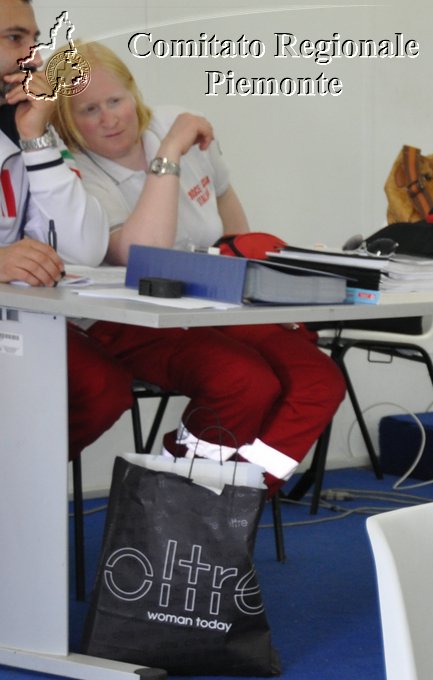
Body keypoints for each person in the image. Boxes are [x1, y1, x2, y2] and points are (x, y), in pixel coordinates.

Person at [51, 41, 343, 490]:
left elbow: (229, 212)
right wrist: (168, 153)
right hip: (130, 317)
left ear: (134, 92)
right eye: (89, 109)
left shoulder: (174, 119)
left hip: (209, 300)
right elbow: (140, 257)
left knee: (319, 380)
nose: (109, 118)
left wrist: (252, 290)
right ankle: (176, 502)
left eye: (116, 100)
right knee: (244, 381)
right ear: (67, 122)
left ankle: (242, 495)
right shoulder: (76, 171)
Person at [0, 0, 127, 459]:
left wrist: (35, 138)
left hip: (17, 321)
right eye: (15, 39)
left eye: (33, 41)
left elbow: (85, 248)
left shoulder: (27, 125)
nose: (32, 56)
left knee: (102, 388)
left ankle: (22, 507)